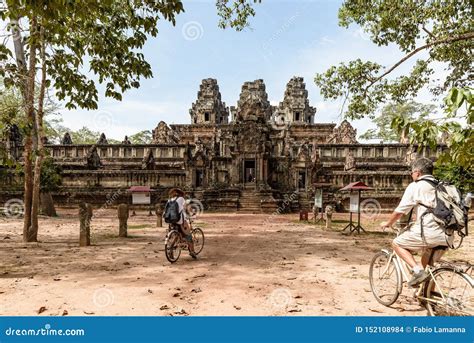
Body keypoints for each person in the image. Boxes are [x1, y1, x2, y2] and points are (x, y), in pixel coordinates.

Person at [381, 158, 451, 287]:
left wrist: (388, 223)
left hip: (429, 232)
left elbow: (399, 211)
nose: (411, 175)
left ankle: (417, 271)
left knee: (397, 244)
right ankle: (428, 294)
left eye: (412, 172)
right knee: (428, 264)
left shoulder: (416, 186)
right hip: (448, 235)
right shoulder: (442, 185)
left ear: (417, 173)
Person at [168, 188, 197, 259]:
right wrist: (192, 213)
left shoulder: (170, 200)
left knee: (177, 234)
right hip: (181, 221)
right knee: (188, 235)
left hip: (171, 221)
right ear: (180, 193)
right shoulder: (181, 199)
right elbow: (187, 208)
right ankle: (192, 252)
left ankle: (170, 249)